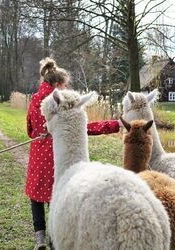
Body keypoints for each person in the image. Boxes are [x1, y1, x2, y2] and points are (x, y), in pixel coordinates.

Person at [26, 58, 120, 249]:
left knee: (36, 196)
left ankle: (40, 239)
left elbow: (30, 129)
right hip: (59, 155)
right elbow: (81, 127)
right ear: (57, 85)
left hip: (38, 155)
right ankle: (55, 238)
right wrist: (113, 124)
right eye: (66, 85)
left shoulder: (35, 99)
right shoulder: (63, 102)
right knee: (57, 195)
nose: (67, 88)